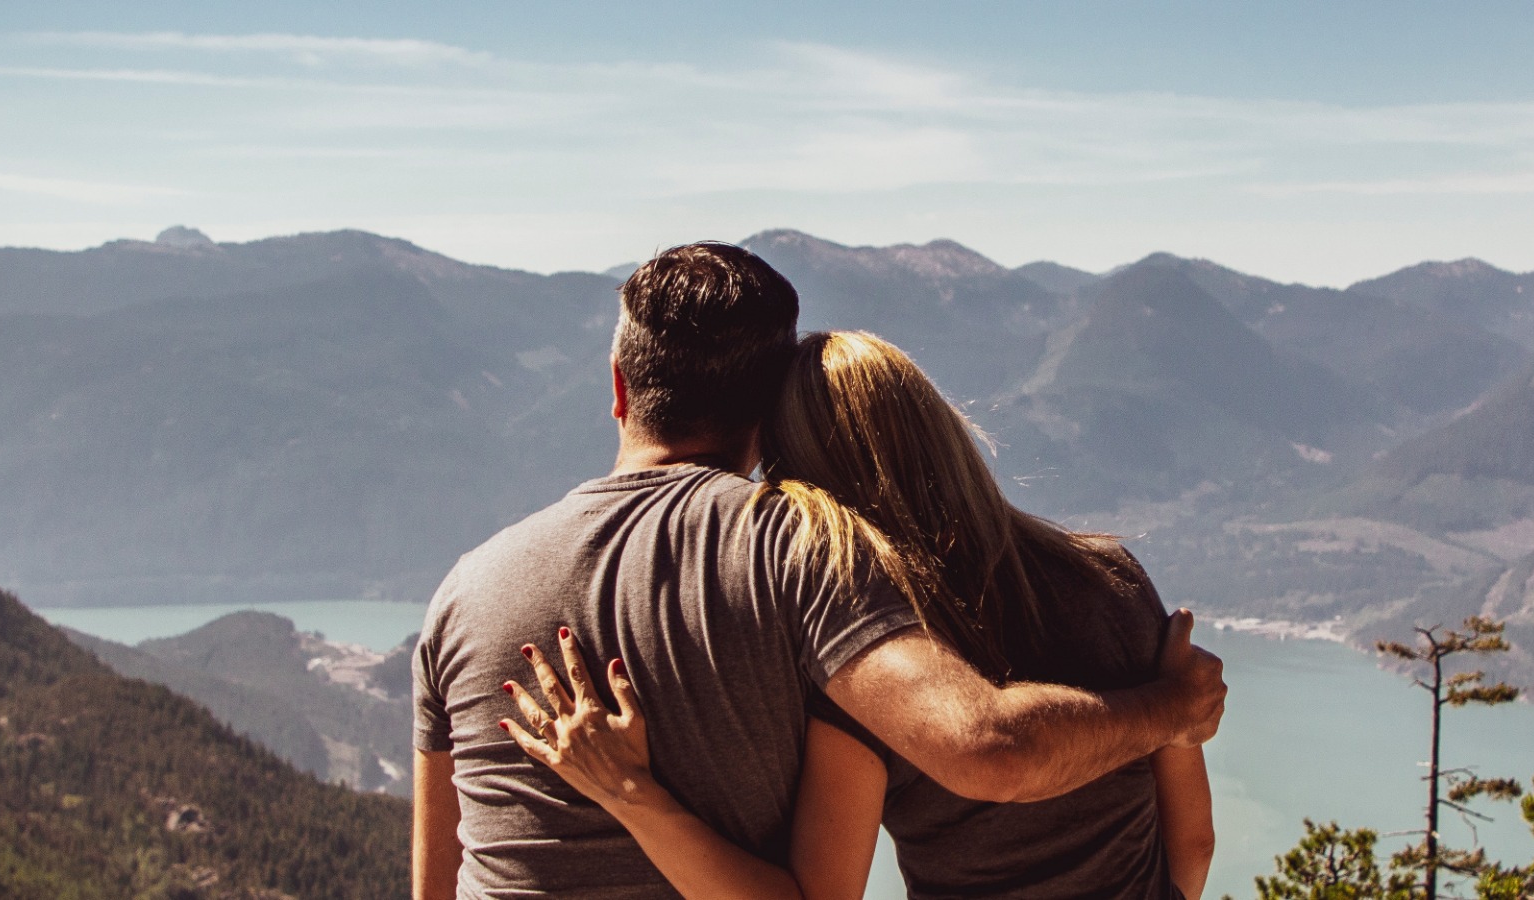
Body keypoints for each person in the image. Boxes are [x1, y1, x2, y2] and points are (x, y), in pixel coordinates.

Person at [414, 244, 1225, 898]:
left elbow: (438, 880)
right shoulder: (805, 555)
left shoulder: (461, 591)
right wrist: (1169, 709)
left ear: (620, 388)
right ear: (767, 413)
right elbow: (991, 752)